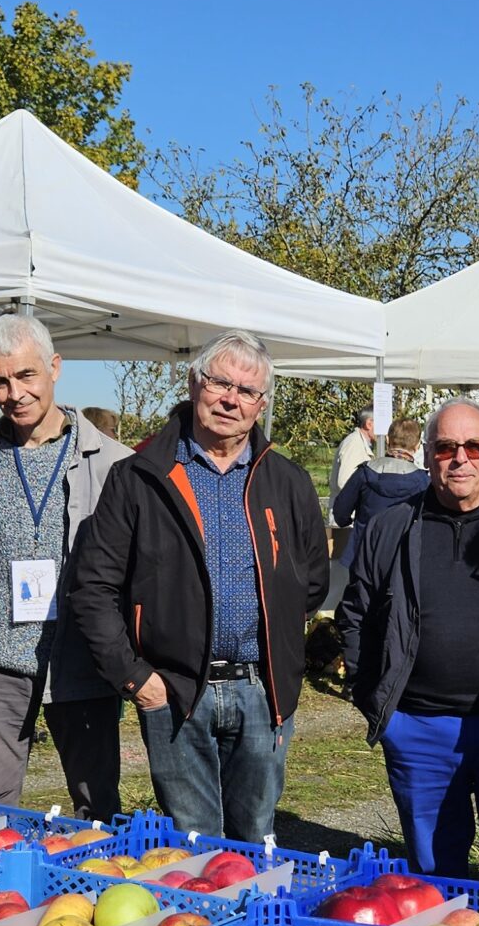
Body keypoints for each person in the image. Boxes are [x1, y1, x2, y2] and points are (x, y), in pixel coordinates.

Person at [65, 331, 327, 842]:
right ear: (193, 383)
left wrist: (284, 660)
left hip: (262, 688)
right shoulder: (140, 476)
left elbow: (312, 581)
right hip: (176, 690)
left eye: (247, 391)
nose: (231, 398)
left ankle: (254, 921)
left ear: (261, 404)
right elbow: (93, 587)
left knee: (256, 834)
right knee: (192, 842)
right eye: (219, 382)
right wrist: (137, 679)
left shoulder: (287, 481)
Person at [340, 399, 479, 882]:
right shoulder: (390, 528)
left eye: (474, 446)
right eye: (445, 447)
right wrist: (377, 703)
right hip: (419, 729)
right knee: (434, 876)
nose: (460, 457)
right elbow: (355, 616)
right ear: (426, 455)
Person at [0, 312, 131, 818]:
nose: (14, 393)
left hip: (81, 656)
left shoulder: (112, 461)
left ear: (54, 367)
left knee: (96, 806)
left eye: (26, 376)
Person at [332, 415, 426, 561]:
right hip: (401, 556)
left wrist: (348, 522)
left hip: (362, 553)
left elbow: (341, 512)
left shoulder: (364, 472)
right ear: (417, 445)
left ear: (388, 440)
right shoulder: (423, 482)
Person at [332, 407, 375, 496]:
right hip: (349, 509)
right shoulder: (354, 443)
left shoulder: (361, 443)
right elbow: (344, 482)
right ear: (369, 424)